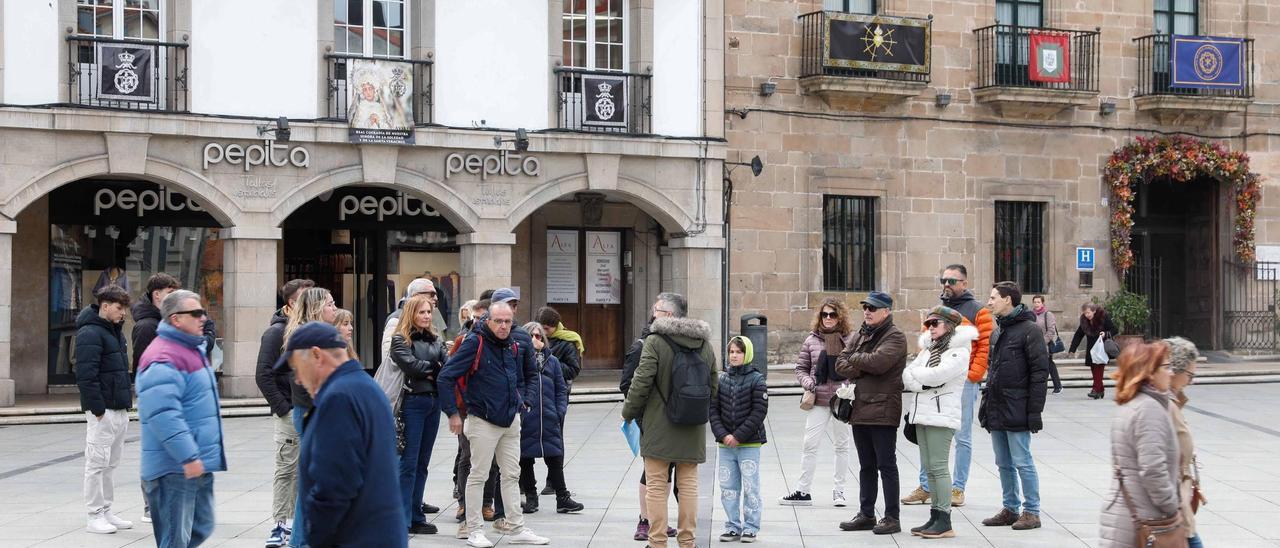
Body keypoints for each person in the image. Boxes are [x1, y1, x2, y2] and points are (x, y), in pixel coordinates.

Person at [277, 322, 406, 548]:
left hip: (353, 538)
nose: (297, 379)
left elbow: (334, 485)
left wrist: (315, 538)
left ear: (317, 355)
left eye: (296, 368)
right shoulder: (365, 386)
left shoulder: (339, 397)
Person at [438, 301, 550, 547]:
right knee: (478, 474)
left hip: (511, 419)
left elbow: (531, 375)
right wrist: (453, 413)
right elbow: (446, 376)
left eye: (507, 321)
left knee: (511, 474)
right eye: (498, 321)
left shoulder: (516, 343)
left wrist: (526, 401)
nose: (503, 326)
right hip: (482, 419)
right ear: (487, 320)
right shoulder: (474, 342)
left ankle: (516, 527)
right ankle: (475, 529)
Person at [621, 292, 719, 548]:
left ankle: (657, 542)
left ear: (670, 315)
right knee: (688, 485)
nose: (653, 314)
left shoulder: (655, 342)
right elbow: (714, 384)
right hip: (692, 426)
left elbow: (641, 382)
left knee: (656, 484)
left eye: (657, 310)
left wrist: (629, 412)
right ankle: (687, 541)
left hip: (659, 425)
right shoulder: (704, 344)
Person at [137, 290, 226, 548]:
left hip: (195, 464)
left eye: (204, 312)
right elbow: (163, 414)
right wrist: (188, 457)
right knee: (176, 539)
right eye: (196, 313)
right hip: (173, 468)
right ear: (176, 319)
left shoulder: (189, 349)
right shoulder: (163, 356)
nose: (204, 319)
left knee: (200, 527)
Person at [903, 265, 992, 508]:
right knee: (927, 430)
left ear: (964, 282)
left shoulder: (978, 311)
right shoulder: (937, 310)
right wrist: (923, 371)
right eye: (944, 279)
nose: (947, 284)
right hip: (933, 380)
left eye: (952, 280)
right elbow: (926, 342)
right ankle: (926, 486)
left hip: (962, 381)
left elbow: (983, 346)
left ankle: (957, 488)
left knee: (962, 436)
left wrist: (972, 376)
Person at [834, 290, 908, 535]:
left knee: (886, 464)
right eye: (866, 307)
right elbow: (840, 363)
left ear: (886, 311)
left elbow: (879, 363)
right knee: (866, 465)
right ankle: (866, 514)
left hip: (884, 407)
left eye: (873, 308)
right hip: (861, 407)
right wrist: (860, 363)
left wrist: (856, 361)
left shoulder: (895, 336)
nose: (867, 311)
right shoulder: (861, 333)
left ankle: (891, 517)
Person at [980, 281, 1050, 531]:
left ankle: (1031, 511)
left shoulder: (1030, 330)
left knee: (1022, 460)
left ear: (1008, 300)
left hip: (1018, 407)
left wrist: (1034, 412)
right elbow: (994, 370)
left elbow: (1040, 374)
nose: (989, 302)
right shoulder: (998, 330)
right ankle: (1010, 508)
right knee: (1003, 462)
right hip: (997, 407)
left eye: (993, 298)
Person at [902, 307, 976, 539]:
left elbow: (938, 375)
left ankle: (944, 519)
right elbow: (908, 373)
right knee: (929, 467)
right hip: (922, 414)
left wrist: (921, 379)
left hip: (942, 415)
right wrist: (922, 381)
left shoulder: (959, 352)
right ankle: (935, 515)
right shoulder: (930, 349)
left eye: (935, 323)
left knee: (938, 466)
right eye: (929, 324)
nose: (930, 328)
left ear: (949, 326)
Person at [1099, 341, 1181, 548]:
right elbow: (1153, 469)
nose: (1171, 373)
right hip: (1142, 522)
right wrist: (1172, 506)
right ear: (1149, 373)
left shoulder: (1131, 405)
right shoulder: (1149, 409)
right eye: (1166, 367)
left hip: (1126, 514)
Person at [255, 278, 313, 548]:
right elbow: (264, 375)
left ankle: (298, 522)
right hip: (290, 411)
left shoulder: (307, 330)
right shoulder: (277, 332)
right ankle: (280, 524)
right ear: (291, 303)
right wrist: (284, 408)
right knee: (287, 468)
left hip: (308, 410)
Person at [783, 297, 853, 507]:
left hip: (842, 400)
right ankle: (803, 491)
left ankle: (839, 492)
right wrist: (809, 382)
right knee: (809, 444)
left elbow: (857, 367)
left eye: (832, 314)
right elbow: (800, 367)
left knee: (842, 446)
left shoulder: (851, 339)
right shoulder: (812, 340)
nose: (828, 318)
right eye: (825, 314)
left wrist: (849, 385)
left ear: (840, 316)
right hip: (819, 399)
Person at [75, 284, 134, 535]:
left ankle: (106, 510)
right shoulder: (90, 333)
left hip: (119, 408)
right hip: (103, 411)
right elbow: (86, 376)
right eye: (119, 308)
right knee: (96, 464)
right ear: (105, 306)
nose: (123, 313)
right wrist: (98, 409)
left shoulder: (115, 332)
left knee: (111, 464)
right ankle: (94, 514)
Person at [282, 287, 338, 548]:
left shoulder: (317, 335)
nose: (334, 308)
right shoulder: (305, 337)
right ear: (317, 308)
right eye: (330, 304)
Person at [388, 294, 446, 535]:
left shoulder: (436, 338)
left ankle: (416, 515)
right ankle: (402, 519)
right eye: (421, 312)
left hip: (434, 403)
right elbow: (411, 366)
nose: (426, 316)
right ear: (411, 313)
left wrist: (431, 369)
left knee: (422, 464)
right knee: (408, 463)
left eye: (429, 312)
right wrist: (434, 367)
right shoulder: (400, 339)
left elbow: (448, 365)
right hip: (412, 403)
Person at [620, 309, 678, 541]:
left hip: (673, 419)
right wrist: (643, 411)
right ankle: (645, 521)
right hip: (651, 420)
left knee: (668, 469)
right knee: (652, 470)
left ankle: (659, 520)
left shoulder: (673, 345)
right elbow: (626, 384)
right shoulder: (641, 346)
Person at [517, 323, 582, 514]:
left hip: (548, 416)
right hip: (527, 417)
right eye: (532, 336)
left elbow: (560, 389)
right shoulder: (518, 359)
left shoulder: (551, 361)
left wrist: (559, 411)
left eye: (539, 336)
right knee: (525, 458)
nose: (536, 340)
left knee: (554, 457)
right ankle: (531, 496)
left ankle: (562, 497)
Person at [711, 336, 768, 543]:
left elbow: (759, 412)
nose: (734, 355)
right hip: (725, 445)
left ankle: (751, 526)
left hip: (749, 444)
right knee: (728, 487)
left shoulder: (757, 380)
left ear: (747, 354)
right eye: (732, 352)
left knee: (751, 486)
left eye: (739, 352)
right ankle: (732, 525)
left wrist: (738, 436)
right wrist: (723, 435)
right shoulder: (721, 379)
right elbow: (713, 410)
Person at [1165, 337, 1205, 548]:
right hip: (1173, 513)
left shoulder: (1172, 402)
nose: (1192, 380)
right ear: (1174, 370)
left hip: (1178, 507)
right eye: (1190, 374)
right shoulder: (1163, 406)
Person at [1070, 303, 1119, 399]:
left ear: (1094, 311)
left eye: (1088, 313)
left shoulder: (1103, 317)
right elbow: (1079, 334)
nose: (1086, 315)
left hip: (1101, 347)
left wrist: (1105, 333)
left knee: (1098, 369)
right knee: (1094, 369)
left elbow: (1114, 329)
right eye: (1085, 313)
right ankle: (1100, 390)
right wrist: (1073, 348)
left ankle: (1095, 390)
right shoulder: (1084, 321)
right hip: (1091, 349)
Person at [537, 306, 584, 384]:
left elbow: (572, 371)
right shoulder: (534, 336)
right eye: (541, 329)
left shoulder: (567, 342)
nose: (543, 332)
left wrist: (548, 361)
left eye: (546, 329)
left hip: (557, 388)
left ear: (555, 326)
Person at [1031, 295, 1064, 394]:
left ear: (1042, 303)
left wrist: (1041, 342)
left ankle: (1057, 386)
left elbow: (1051, 331)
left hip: (1045, 345)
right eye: (1035, 302)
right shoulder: (1031, 314)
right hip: (1033, 344)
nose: (1036, 304)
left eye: (1038, 302)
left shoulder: (1048, 315)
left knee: (1049, 365)